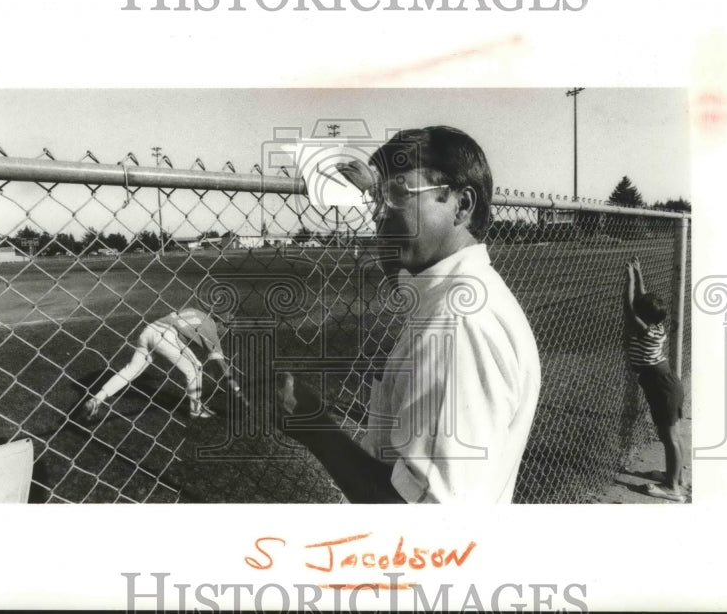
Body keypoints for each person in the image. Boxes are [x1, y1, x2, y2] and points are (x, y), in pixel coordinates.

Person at [276, 126, 541, 503]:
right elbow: (395, 256)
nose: (378, 214)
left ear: (462, 205)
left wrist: (313, 425)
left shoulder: (455, 324)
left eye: (399, 193)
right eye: (377, 198)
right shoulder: (464, 291)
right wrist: (382, 191)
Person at [80, 307, 243, 422]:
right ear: (222, 323)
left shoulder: (197, 312)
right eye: (227, 328)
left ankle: (96, 399)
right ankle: (196, 410)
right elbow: (220, 363)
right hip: (165, 336)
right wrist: (235, 388)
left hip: (149, 330)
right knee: (195, 368)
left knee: (131, 370)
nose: (226, 332)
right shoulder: (211, 330)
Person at [622, 256, 686, 502]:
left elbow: (629, 308)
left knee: (669, 436)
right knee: (672, 434)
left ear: (643, 318)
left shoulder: (644, 330)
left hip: (661, 386)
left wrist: (628, 279)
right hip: (666, 382)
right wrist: (638, 274)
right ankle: (675, 476)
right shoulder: (656, 325)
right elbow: (643, 300)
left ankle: (672, 488)